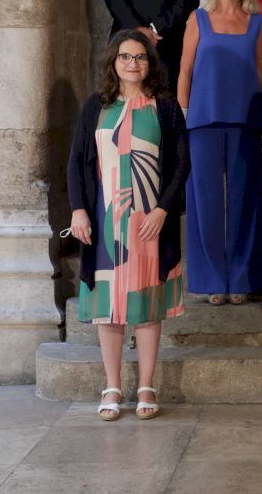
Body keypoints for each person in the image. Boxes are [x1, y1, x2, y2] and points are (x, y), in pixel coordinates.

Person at [65, 29, 189, 421]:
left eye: (140, 56)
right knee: (109, 306)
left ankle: (147, 384)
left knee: (147, 305)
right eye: (125, 56)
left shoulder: (164, 108)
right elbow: (76, 161)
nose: (132, 63)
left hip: (150, 223)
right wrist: (78, 210)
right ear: (113, 62)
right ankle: (113, 385)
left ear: (150, 63)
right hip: (105, 222)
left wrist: (163, 210)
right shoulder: (96, 107)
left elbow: (182, 164)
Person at [178, 0, 262, 306]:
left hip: (246, 119)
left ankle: (243, 277)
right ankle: (211, 280)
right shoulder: (198, 19)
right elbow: (185, 72)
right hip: (202, 121)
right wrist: (183, 119)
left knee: (245, 200)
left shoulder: (256, 22)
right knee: (205, 202)